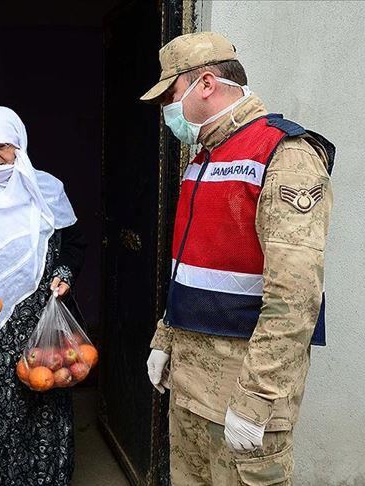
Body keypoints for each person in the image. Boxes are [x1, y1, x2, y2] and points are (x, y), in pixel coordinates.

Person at [141, 32, 335, 485]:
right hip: (190, 386)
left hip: (243, 393)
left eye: (171, 94)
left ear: (205, 84)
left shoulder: (284, 155)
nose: (167, 109)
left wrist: (256, 398)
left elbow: (295, 298)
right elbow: (189, 264)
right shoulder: (204, 156)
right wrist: (165, 339)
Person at [0, 106, 87, 485]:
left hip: (38, 319)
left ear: (18, 146)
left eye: (1, 147)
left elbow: (75, 241)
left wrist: (65, 273)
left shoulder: (47, 190)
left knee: (40, 396)